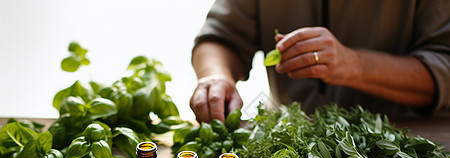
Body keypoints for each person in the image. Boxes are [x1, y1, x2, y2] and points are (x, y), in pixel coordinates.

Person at [189, 0, 450, 123]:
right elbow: (222, 35)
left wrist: (355, 65)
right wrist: (216, 76)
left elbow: (444, 63)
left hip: (405, 147)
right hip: (294, 139)